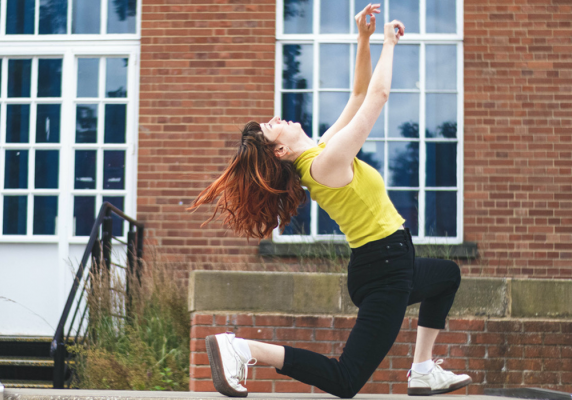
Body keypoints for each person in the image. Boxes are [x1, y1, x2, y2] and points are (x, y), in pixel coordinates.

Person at [189, 3, 472, 398]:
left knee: (446, 277)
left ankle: (423, 369)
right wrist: (390, 43)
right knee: (345, 379)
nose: (277, 119)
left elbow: (357, 93)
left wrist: (363, 39)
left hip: (390, 262)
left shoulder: (319, 151)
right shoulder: (325, 163)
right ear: (279, 153)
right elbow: (378, 95)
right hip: (385, 269)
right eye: (273, 129)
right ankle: (242, 348)